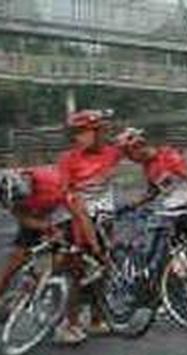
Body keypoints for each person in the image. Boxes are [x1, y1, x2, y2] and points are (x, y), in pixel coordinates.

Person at [0, 168, 91, 344]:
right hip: (37, 216)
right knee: (15, 261)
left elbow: (78, 215)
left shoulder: (52, 183)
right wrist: (44, 227)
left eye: (20, 200)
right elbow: (22, 218)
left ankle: (72, 323)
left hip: (63, 215)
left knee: (67, 266)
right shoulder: (11, 194)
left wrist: (82, 243)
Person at [57, 109, 123, 338]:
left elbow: (134, 147)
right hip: (77, 218)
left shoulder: (112, 153)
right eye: (77, 133)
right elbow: (66, 194)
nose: (80, 138)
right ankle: (70, 322)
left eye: (85, 132)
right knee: (76, 272)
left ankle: (97, 317)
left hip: (104, 219)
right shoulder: (68, 159)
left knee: (102, 270)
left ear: (99, 132)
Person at [114, 127, 187, 278]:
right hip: (169, 207)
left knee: (155, 229)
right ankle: (152, 269)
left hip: (185, 205)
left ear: (138, 148)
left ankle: (153, 269)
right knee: (142, 224)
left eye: (129, 155)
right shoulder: (147, 165)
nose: (131, 160)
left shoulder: (168, 155)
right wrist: (132, 205)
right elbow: (153, 191)